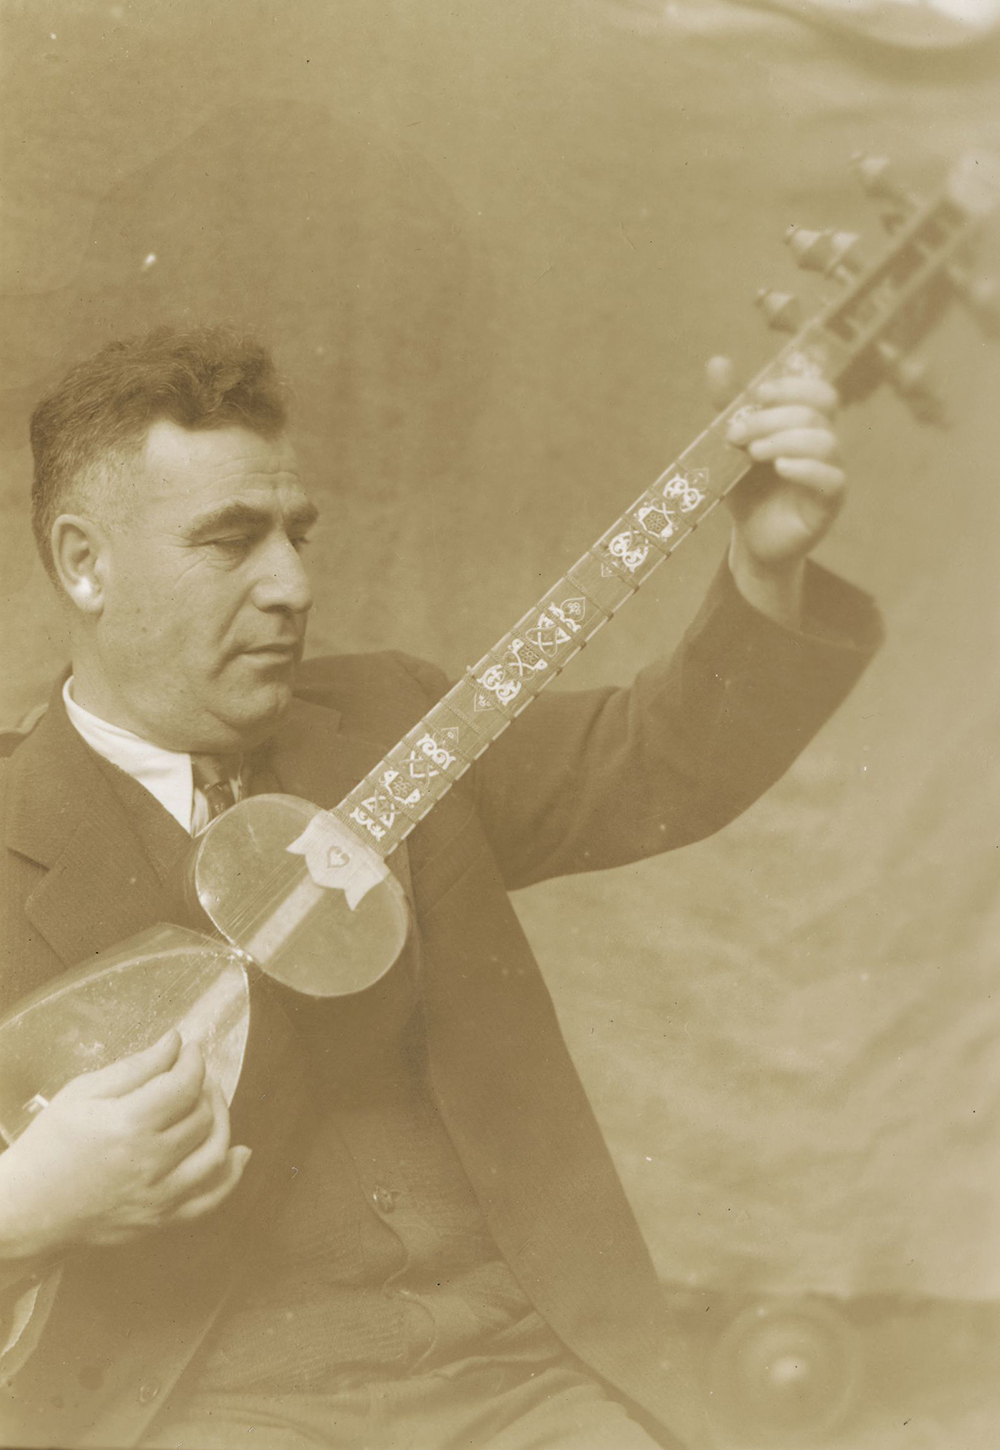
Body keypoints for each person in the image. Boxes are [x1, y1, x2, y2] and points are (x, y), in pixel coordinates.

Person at [0, 327, 879, 1450]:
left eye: (296, 533)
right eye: (232, 541)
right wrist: (22, 1213)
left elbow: (654, 763)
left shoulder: (387, 723)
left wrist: (767, 567)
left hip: (520, 1386)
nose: (293, 584)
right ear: (85, 563)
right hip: (213, 1413)